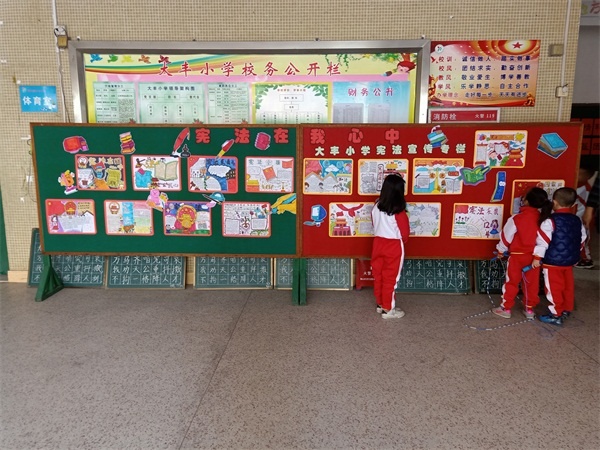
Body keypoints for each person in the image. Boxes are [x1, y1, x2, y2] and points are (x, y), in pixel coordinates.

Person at [492, 187, 552, 320]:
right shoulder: (543, 219)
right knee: (531, 284)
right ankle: (529, 309)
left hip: (516, 257)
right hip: (534, 259)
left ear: (526, 201)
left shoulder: (516, 218)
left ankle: (506, 308)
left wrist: (500, 250)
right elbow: (543, 241)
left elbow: (506, 237)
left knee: (511, 282)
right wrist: (538, 257)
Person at [532, 187, 587, 325]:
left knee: (554, 288)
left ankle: (556, 314)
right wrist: (574, 254)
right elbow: (582, 239)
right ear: (573, 204)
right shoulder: (577, 220)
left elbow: (543, 241)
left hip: (553, 263)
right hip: (570, 261)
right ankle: (567, 309)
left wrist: (537, 258)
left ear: (554, 202)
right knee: (568, 286)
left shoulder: (549, 221)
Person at [371, 174, 410, 319]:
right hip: (393, 246)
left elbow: (374, 223)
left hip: (377, 243)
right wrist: (402, 241)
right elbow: (405, 233)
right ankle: (388, 309)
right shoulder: (399, 211)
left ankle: (381, 304)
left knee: (378, 275)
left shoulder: (376, 206)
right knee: (390, 278)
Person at [574, 166, 597, 268]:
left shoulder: (586, 190)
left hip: (582, 218)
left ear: (588, 176)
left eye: (579, 174)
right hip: (572, 217)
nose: (575, 174)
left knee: (582, 234)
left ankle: (584, 257)